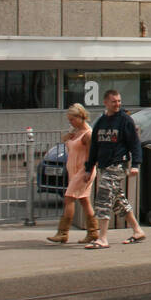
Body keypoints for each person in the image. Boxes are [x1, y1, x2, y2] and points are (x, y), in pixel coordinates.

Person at [83, 89, 146, 247]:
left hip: (119, 164)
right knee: (118, 200)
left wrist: (136, 165)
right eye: (114, 101)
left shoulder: (125, 120)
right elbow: (94, 147)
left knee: (104, 196)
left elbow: (134, 143)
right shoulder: (101, 122)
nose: (117, 104)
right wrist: (89, 168)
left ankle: (102, 238)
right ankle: (138, 230)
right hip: (104, 166)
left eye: (119, 101)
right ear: (106, 102)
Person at [46, 103, 97, 244]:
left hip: (83, 170)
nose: (71, 122)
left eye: (73, 119)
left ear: (81, 117)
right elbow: (67, 143)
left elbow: (90, 155)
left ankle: (63, 232)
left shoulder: (88, 134)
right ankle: (93, 232)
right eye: (69, 120)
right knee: (84, 200)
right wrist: (68, 136)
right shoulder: (76, 132)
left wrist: (88, 170)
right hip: (74, 170)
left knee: (69, 198)